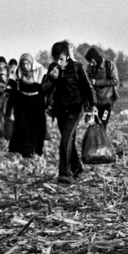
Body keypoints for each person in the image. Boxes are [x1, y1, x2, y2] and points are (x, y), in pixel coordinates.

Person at [41, 41, 96, 184]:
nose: (58, 62)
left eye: (61, 59)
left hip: (75, 109)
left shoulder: (77, 68)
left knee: (65, 139)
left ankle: (63, 173)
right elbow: (44, 89)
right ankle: (77, 169)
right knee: (68, 140)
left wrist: (93, 105)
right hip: (60, 110)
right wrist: (52, 79)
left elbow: (87, 88)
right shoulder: (52, 68)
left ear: (67, 56)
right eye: (55, 59)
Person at [6, 53, 47, 157]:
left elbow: (46, 86)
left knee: (36, 127)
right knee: (22, 126)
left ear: (31, 63)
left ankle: (35, 150)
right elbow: (11, 83)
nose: (25, 66)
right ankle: (19, 151)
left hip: (36, 102)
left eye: (27, 64)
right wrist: (10, 88)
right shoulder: (18, 71)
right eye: (23, 64)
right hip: (22, 101)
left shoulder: (40, 71)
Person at [85, 48, 119, 128]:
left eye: (93, 62)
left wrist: (96, 82)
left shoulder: (109, 65)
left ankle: (102, 136)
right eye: (90, 62)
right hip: (95, 102)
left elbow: (115, 81)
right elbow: (88, 82)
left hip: (107, 101)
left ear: (97, 58)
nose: (92, 64)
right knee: (95, 124)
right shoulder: (90, 68)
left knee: (102, 124)